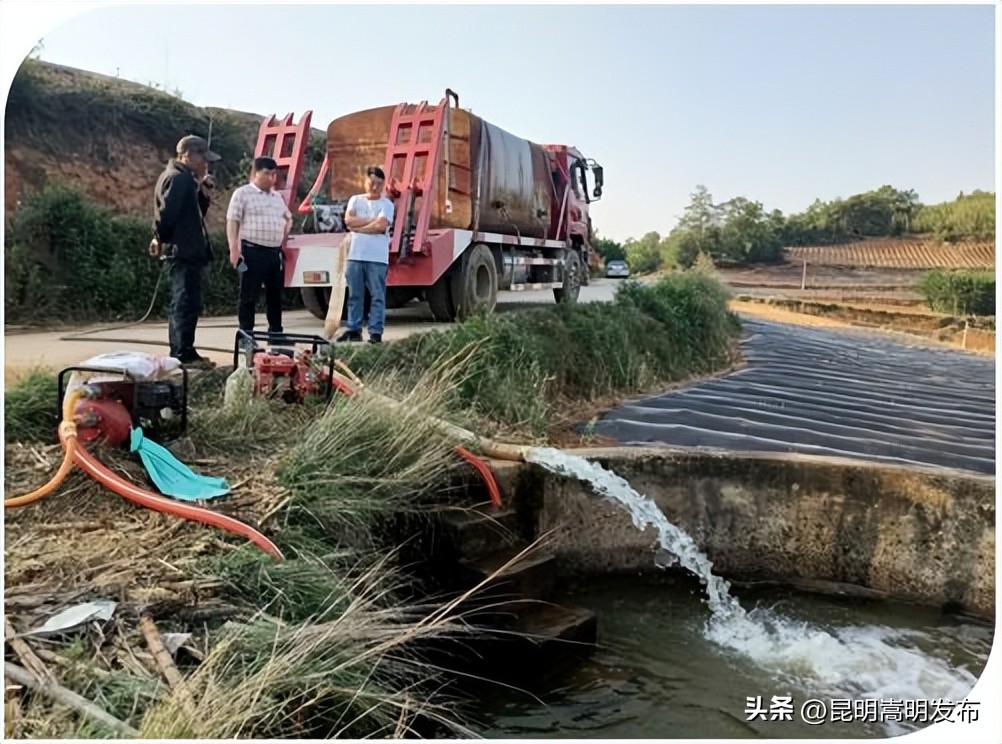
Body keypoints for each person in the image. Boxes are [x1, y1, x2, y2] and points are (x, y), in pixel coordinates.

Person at [153, 134, 220, 370]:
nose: (206, 164)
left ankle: (185, 350)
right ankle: (182, 353)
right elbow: (166, 215)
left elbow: (194, 214)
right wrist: (158, 236)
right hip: (182, 251)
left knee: (187, 302)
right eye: (203, 158)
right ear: (188, 155)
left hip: (187, 250)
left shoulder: (185, 180)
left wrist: (202, 191)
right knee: (184, 303)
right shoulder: (178, 179)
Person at [226, 157, 293, 345]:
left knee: (275, 295)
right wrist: (234, 248)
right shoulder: (243, 194)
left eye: (274, 175)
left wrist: (283, 232)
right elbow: (233, 220)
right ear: (255, 173)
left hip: (273, 252)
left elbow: (287, 217)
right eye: (267, 174)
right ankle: (246, 334)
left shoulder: (276, 197)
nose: (272, 178)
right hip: (251, 251)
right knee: (249, 294)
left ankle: (276, 333)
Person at [336, 165, 394, 344]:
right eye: (371, 182)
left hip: (377, 257)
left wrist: (358, 227)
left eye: (378, 183)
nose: (374, 186)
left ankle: (375, 332)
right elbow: (349, 221)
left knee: (377, 295)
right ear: (365, 181)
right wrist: (371, 223)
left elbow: (381, 226)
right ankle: (354, 329)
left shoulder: (387, 204)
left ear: (383, 185)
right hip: (355, 255)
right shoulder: (355, 200)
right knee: (355, 294)